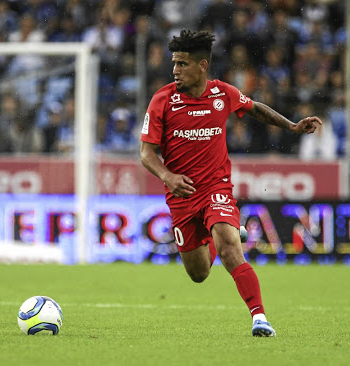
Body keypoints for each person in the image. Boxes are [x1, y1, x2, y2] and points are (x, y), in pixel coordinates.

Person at [140, 30, 322, 337]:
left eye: (182, 64)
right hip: (181, 196)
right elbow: (146, 153)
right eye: (174, 64)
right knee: (198, 273)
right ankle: (217, 233)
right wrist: (168, 177)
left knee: (229, 249)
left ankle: (259, 317)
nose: (175, 70)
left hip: (216, 188)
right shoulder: (162, 100)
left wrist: (291, 125)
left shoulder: (222, 93)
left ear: (201, 65)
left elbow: (256, 109)